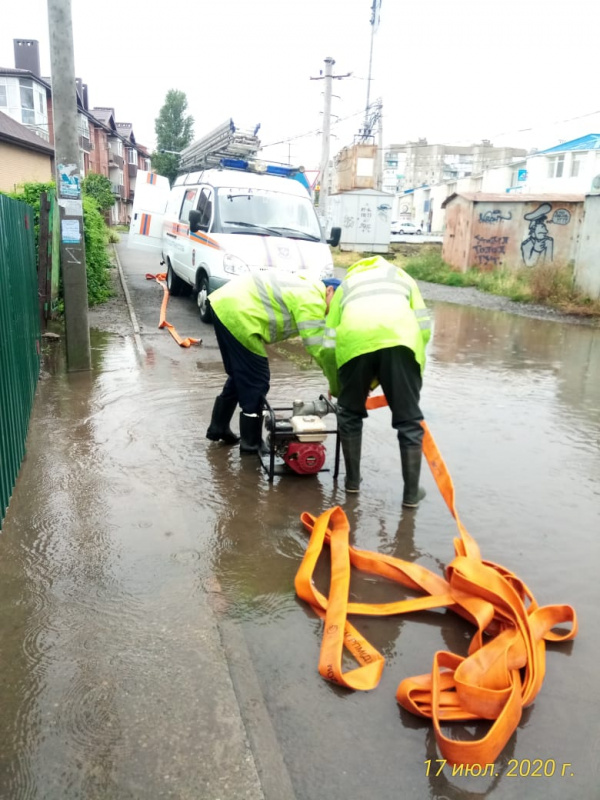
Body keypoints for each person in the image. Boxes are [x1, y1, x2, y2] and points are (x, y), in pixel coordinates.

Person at [323, 256, 432, 507]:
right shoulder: (402, 277)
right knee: (409, 421)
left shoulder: (347, 284)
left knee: (349, 414)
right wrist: (413, 373)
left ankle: (352, 484)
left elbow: (329, 346)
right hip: (402, 341)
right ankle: (411, 495)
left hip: (354, 343)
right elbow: (424, 328)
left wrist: (337, 385)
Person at [206, 272, 340, 453]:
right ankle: (251, 444)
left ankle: (218, 427)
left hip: (225, 304)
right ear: (329, 290)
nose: (337, 310)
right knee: (257, 380)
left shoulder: (309, 288)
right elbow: (317, 347)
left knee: (242, 375)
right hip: (239, 312)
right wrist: (335, 382)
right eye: (338, 303)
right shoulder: (313, 299)